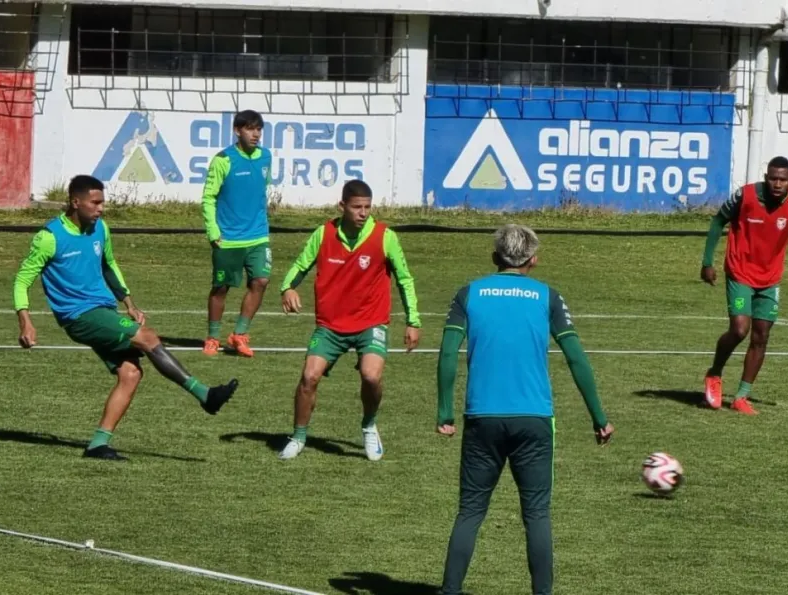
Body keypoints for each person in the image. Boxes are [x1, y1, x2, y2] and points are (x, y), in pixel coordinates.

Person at [435, 224, 614, 595]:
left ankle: (450, 591)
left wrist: (444, 411)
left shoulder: (469, 293)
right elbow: (576, 358)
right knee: (536, 514)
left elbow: (448, 353)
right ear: (534, 260)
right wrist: (599, 417)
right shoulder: (548, 297)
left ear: (494, 257)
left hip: (482, 418)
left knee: (470, 511)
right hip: (534, 419)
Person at [13, 175, 239, 461]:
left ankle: (98, 444)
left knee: (130, 373)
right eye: (95, 203)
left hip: (103, 311)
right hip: (79, 316)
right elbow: (21, 281)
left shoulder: (100, 229)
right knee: (148, 337)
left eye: (102, 202)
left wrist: (129, 303)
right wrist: (26, 321)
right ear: (75, 202)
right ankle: (205, 395)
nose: (101, 208)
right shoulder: (49, 237)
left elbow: (109, 266)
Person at [277, 179, 421, 461]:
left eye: (367, 207)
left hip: (371, 323)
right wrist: (287, 287)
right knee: (309, 377)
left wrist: (413, 321)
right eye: (357, 207)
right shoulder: (323, 234)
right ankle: (298, 436)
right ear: (342, 206)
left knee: (371, 376)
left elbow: (405, 279)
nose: (363, 213)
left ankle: (369, 425)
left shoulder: (385, 237)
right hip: (330, 326)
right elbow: (301, 265)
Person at [701, 156, 788, 415]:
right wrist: (707, 262)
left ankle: (741, 397)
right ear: (766, 178)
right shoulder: (746, 196)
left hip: (770, 278)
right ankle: (714, 373)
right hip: (740, 271)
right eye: (773, 178)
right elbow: (718, 221)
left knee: (761, 336)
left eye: (783, 179)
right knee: (740, 329)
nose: (777, 184)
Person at [202, 109, 273, 358]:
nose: (256, 134)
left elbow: (262, 189)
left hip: (258, 235)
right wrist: (213, 231)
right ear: (237, 130)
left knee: (261, 281)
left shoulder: (266, 156)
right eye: (250, 129)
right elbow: (208, 197)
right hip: (228, 238)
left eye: (259, 129)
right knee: (221, 288)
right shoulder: (223, 160)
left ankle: (239, 335)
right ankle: (213, 337)